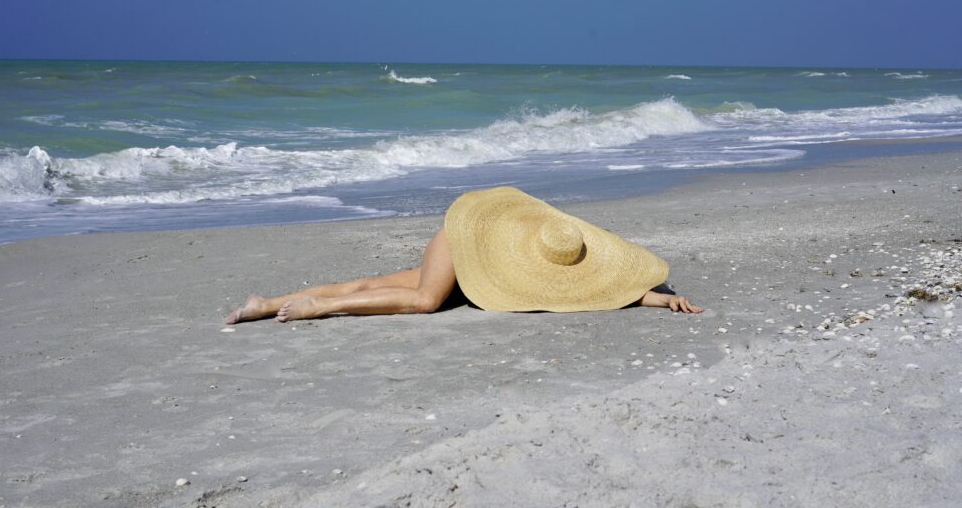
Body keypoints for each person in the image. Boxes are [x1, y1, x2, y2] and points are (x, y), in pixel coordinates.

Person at [227, 187, 703, 324]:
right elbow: (603, 287)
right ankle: (319, 306)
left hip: (477, 264)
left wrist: (659, 299)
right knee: (423, 301)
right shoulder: (530, 249)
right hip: (461, 245)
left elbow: (606, 289)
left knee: (376, 286)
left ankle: (265, 303)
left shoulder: (566, 263)